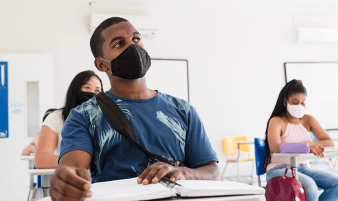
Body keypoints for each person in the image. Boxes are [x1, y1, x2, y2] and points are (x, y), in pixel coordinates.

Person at [49, 17, 219, 200]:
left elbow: (212, 171)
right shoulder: (83, 116)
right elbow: (72, 170)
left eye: (136, 39)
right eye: (119, 43)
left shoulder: (183, 110)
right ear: (101, 64)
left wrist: (183, 173)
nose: (133, 47)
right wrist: (66, 181)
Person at [264, 79, 338, 201]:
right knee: (309, 186)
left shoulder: (308, 120)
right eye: (295, 102)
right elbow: (276, 148)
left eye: (302, 103)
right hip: (279, 169)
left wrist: (310, 145)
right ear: (285, 102)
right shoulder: (277, 121)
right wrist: (306, 146)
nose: (299, 106)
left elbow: (329, 142)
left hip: (303, 169)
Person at [21, 70, 103, 169]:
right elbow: (41, 159)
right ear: (75, 89)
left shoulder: (106, 119)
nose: (92, 93)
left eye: (97, 91)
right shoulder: (56, 118)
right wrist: (77, 163)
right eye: (87, 87)